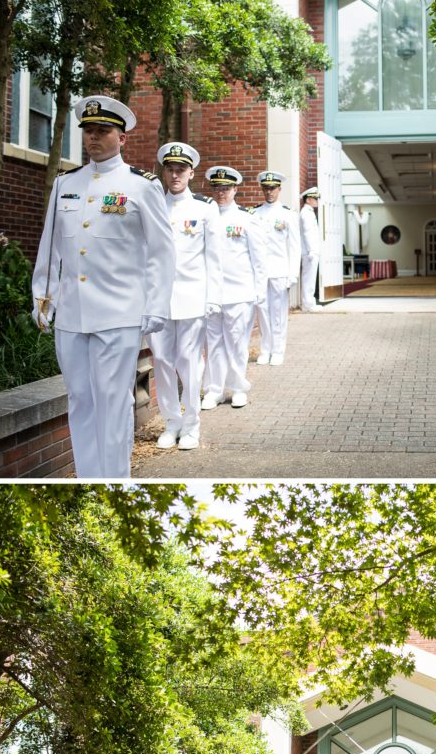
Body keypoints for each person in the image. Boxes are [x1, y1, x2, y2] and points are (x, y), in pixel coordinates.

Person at [31, 94, 175, 478]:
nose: (94, 138)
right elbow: (50, 247)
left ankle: (115, 479)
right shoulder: (65, 183)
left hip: (119, 311)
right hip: (72, 313)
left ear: (122, 137)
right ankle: (88, 478)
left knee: (112, 402)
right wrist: (43, 297)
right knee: (80, 399)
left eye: (103, 131)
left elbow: (162, 253)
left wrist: (157, 305)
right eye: (89, 131)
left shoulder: (142, 186)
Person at [152, 141, 223, 450]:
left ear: (191, 173)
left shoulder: (205, 208)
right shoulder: (153, 204)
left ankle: (192, 424)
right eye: (170, 169)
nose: (175, 174)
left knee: (189, 363)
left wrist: (213, 297)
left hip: (192, 297)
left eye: (181, 169)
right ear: (164, 173)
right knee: (162, 362)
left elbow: (214, 257)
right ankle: (171, 422)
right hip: (157, 300)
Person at [201, 166, 267, 410]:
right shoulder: (205, 216)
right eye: (217, 188)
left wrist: (259, 293)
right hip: (211, 293)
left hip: (239, 292)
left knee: (237, 343)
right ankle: (214, 390)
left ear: (235, 189)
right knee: (213, 343)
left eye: (226, 188)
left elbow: (259, 259)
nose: (221, 193)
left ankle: (238, 388)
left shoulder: (247, 219)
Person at [252, 171, 301, 366]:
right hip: (260, 272)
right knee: (262, 312)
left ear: (279, 189)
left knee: (279, 313)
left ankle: (278, 350)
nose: (269, 192)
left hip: (280, 270)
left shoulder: (288, 214)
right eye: (266, 188)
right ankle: (266, 349)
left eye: (273, 188)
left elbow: (294, 246)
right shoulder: (254, 213)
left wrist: (293, 274)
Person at [299, 188, 320, 312]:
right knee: (309, 278)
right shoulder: (306, 213)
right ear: (308, 199)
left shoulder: (309, 212)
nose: (317, 201)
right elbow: (307, 233)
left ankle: (309, 302)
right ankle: (308, 304)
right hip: (309, 251)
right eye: (315, 198)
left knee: (310, 278)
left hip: (310, 250)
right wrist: (312, 250)